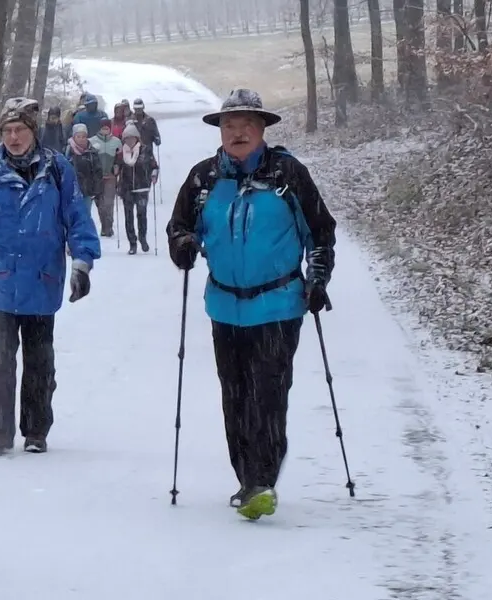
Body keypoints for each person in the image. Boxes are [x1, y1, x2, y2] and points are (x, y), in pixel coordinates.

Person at [165, 88, 338, 521]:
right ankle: (246, 478)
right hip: (224, 305)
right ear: (220, 131)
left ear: (262, 130)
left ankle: (263, 480)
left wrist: (317, 279)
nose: (237, 133)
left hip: (278, 304)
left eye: (246, 125)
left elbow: (320, 230)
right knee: (235, 396)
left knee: (268, 394)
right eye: (229, 125)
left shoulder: (288, 174)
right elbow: (179, 226)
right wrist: (183, 244)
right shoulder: (203, 179)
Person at [0, 97, 101, 457]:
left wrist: (82, 263)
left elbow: (77, 217)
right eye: (7, 130)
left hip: (42, 279)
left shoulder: (57, 169)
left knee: (39, 360)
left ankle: (36, 430)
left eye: (20, 129)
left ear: (33, 132)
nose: (14, 137)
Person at [112, 126, 158, 255]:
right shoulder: (121, 153)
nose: (129, 141)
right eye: (127, 138)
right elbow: (115, 167)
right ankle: (132, 243)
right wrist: (115, 169)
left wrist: (153, 175)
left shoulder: (145, 150)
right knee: (128, 217)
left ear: (137, 138)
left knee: (141, 215)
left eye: (132, 138)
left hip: (142, 187)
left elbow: (154, 166)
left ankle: (142, 238)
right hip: (126, 189)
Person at [64, 124, 105, 224]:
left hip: (87, 191)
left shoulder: (92, 152)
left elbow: (98, 171)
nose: (81, 139)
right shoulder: (67, 151)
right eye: (78, 137)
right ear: (74, 137)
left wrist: (96, 189)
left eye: (84, 137)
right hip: (71, 191)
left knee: (85, 216)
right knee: (72, 217)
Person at [90, 123, 122, 237]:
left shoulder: (116, 141)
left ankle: (108, 227)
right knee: (100, 203)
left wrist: (117, 166)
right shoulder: (92, 141)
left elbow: (120, 158)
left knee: (109, 203)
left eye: (107, 128)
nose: (105, 130)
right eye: (102, 128)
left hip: (111, 177)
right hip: (97, 178)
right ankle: (104, 224)